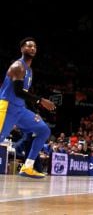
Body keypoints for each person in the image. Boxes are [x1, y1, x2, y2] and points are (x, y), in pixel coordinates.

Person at [0, 37, 55, 178]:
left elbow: (24, 94)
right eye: (29, 46)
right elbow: (18, 91)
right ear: (22, 49)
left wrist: (35, 112)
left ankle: (27, 167)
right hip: (7, 107)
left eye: (34, 47)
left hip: (20, 109)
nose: (32, 48)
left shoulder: (29, 70)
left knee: (43, 130)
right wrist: (41, 100)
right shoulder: (18, 66)